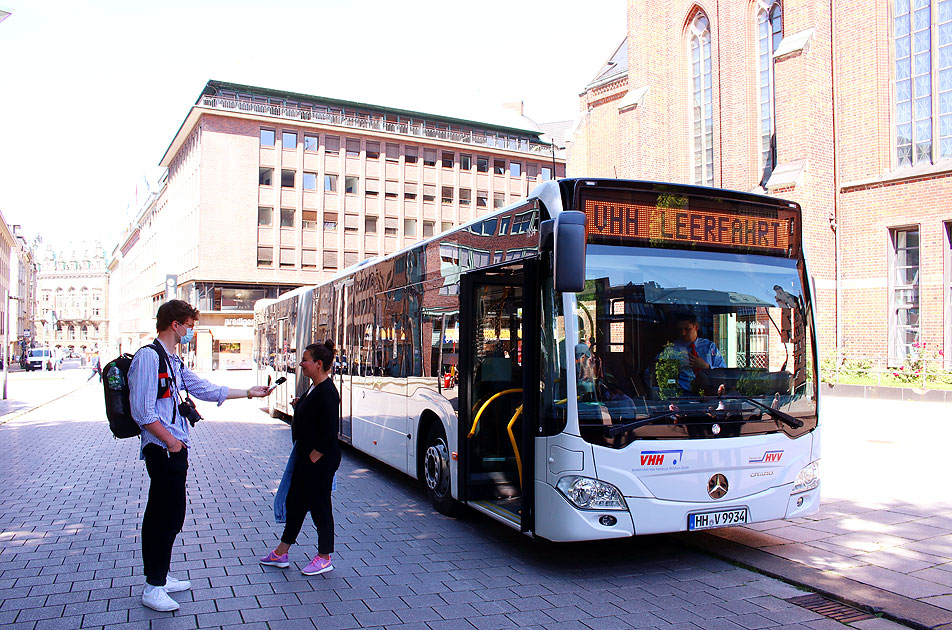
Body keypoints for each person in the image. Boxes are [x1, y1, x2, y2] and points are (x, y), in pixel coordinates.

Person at [130, 300, 270, 612]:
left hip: (173, 448)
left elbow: (204, 389)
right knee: (164, 516)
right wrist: (171, 442)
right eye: (189, 325)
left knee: (168, 514)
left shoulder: (172, 361)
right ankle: (153, 587)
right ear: (175, 324)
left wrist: (248, 392)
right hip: (163, 450)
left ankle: (160, 577)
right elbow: (142, 412)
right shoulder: (148, 358)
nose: (191, 330)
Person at [260, 340, 342, 576]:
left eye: (305, 360)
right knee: (296, 504)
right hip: (306, 459)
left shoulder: (327, 391)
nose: (301, 364)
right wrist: (300, 405)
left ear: (318, 364)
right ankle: (280, 552)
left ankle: (324, 557)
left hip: (318, 462)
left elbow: (329, 432)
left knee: (320, 506)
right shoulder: (315, 387)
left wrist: (314, 458)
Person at [664, 312, 726, 392]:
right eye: (680, 330)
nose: (683, 333)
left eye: (687, 329)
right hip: (683, 394)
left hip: (708, 393)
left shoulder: (709, 347)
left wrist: (706, 367)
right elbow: (655, 368)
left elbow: (723, 372)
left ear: (696, 327)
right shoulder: (673, 349)